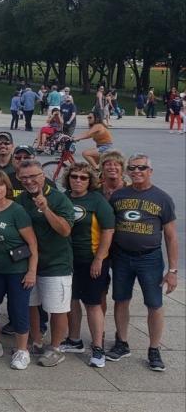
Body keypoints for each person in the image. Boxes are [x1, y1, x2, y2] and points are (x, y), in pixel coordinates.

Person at [106, 153, 178, 372]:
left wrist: (173, 269)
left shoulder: (162, 198)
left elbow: (171, 236)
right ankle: (122, 342)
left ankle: (154, 349)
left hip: (150, 258)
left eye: (142, 168)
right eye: (133, 168)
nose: (137, 172)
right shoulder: (118, 196)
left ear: (150, 171)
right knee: (121, 299)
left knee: (154, 304)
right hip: (121, 256)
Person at [16, 159, 75, 367]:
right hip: (29, 263)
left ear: (43, 175)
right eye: (24, 178)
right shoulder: (21, 199)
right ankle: (37, 341)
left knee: (57, 308)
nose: (29, 181)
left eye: (33, 176)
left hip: (55, 262)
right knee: (31, 304)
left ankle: (56, 348)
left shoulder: (59, 198)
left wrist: (46, 209)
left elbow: (65, 230)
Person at [0, 171, 38, 370]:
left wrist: (31, 271)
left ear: (7, 188)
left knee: (18, 309)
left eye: (0, 185)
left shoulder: (17, 211)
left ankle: (22, 351)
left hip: (17, 269)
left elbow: (32, 244)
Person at [57, 162, 114, 367]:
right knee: (71, 300)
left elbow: (108, 231)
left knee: (92, 303)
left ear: (90, 181)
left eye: (83, 177)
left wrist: (99, 258)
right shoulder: (64, 197)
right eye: (74, 176)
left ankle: (98, 347)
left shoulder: (97, 200)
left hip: (92, 259)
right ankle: (74, 340)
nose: (78, 180)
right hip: (68, 259)